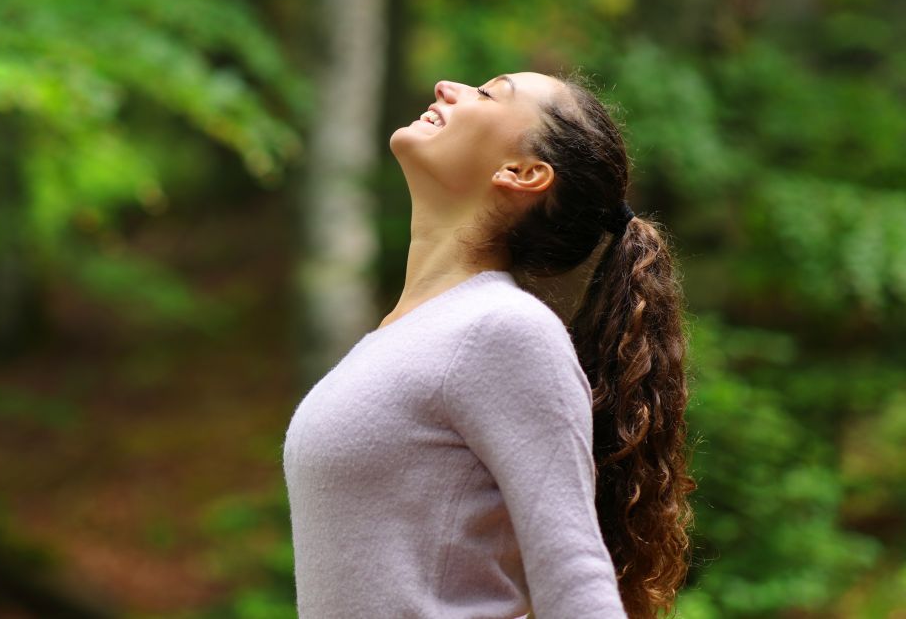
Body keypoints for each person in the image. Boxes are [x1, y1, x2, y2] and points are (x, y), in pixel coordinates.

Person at [283, 71, 697, 619]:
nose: (445, 86)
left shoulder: (501, 330)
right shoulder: (407, 335)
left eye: (487, 93)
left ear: (523, 173)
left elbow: (577, 588)